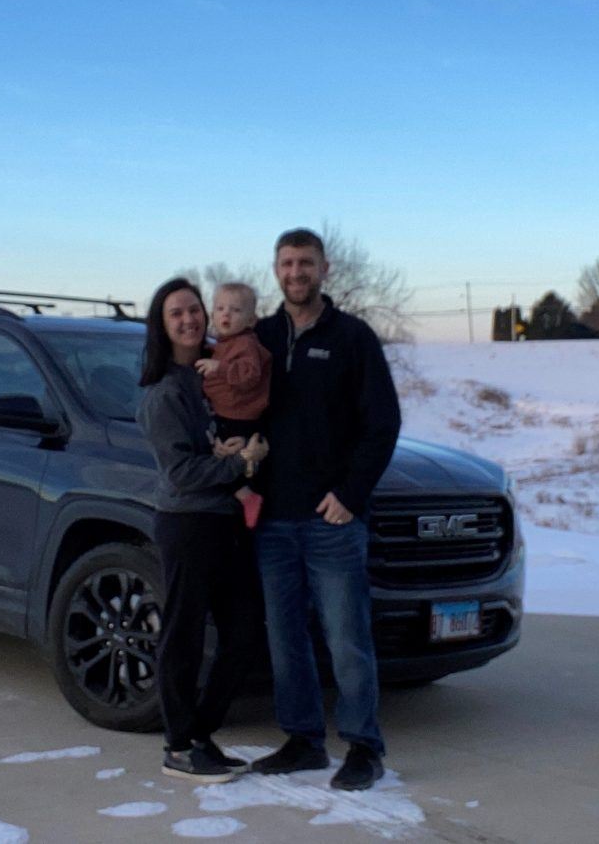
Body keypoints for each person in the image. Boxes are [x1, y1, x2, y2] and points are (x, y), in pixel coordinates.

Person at [251, 228, 401, 791]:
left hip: (331, 519)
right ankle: (302, 741)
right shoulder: (259, 338)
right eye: (287, 263)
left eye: (306, 263)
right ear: (276, 270)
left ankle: (363, 746)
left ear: (324, 269)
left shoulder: (353, 339)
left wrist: (351, 494)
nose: (296, 272)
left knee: (346, 636)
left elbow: (382, 424)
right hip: (272, 520)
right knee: (285, 635)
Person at [137, 276, 269, 783]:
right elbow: (182, 473)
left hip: (227, 521)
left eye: (195, 310)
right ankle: (177, 747)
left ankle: (200, 733)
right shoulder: (163, 393)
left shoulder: (210, 374)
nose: (190, 319)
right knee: (184, 634)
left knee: (243, 632)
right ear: (162, 324)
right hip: (187, 523)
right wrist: (242, 465)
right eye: (177, 313)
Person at [195, 282, 272, 528]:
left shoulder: (246, 343)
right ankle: (246, 495)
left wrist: (220, 367)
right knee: (221, 456)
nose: (226, 314)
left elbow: (250, 375)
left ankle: (248, 497)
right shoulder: (224, 344)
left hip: (238, 415)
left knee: (223, 461)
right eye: (220, 308)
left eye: (236, 310)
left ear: (251, 320)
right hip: (227, 413)